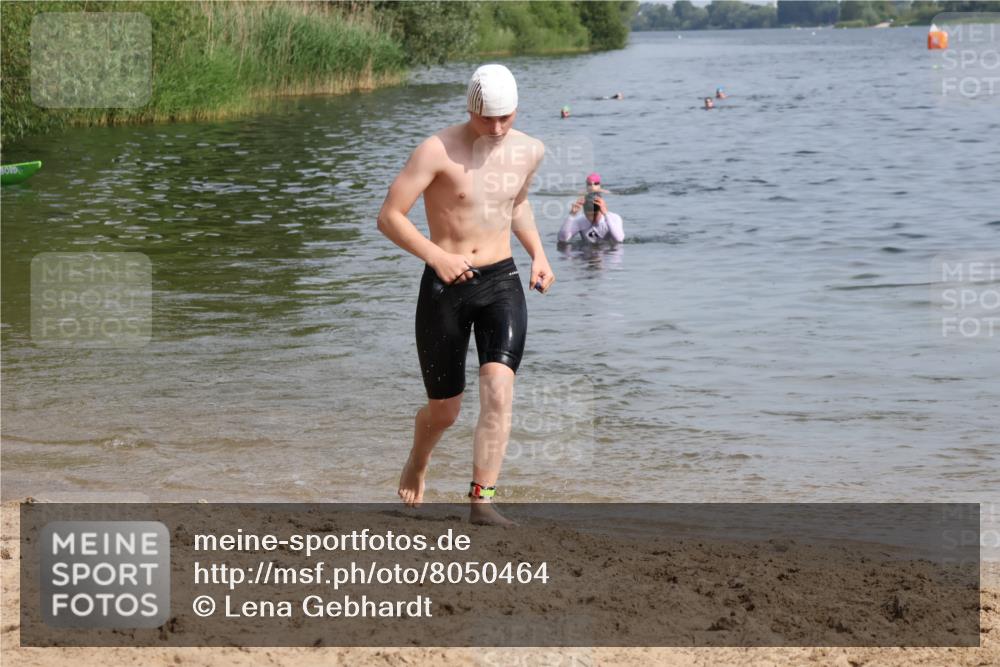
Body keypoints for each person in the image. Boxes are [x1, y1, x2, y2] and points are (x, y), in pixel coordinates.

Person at [377, 64, 555, 526]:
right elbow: (390, 216)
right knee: (446, 411)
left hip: (501, 280)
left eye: (506, 118)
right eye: (486, 118)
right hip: (445, 284)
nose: (496, 129)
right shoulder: (435, 151)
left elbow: (515, 204)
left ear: (517, 110)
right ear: (469, 107)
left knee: (499, 390)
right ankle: (419, 456)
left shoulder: (530, 150)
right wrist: (437, 257)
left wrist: (538, 254)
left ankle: (481, 500)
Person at [558, 191, 624, 244]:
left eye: (595, 214)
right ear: (584, 212)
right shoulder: (580, 220)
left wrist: (606, 214)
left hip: (607, 255)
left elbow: (619, 240)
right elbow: (562, 239)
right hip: (587, 254)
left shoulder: (614, 218)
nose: (592, 218)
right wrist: (571, 215)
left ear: (601, 210)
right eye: (589, 215)